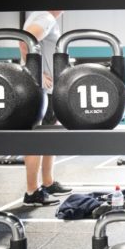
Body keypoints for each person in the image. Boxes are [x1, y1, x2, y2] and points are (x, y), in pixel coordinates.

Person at [21, 11, 73, 206]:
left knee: (51, 134)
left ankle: (48, 183)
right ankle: (32, 192)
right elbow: (25, 42)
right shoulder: (45, 17)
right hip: (39, 88)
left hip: (49, 89)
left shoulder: (46, 18)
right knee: (35, 139)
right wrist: (37, 73)